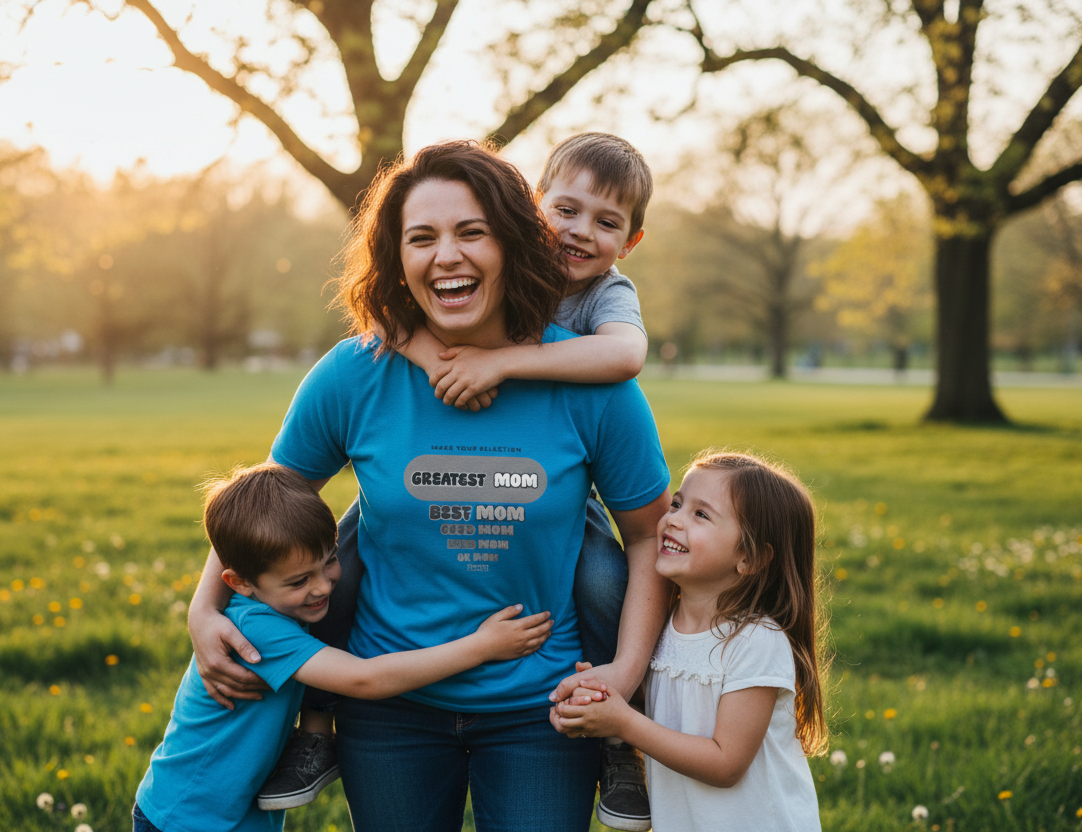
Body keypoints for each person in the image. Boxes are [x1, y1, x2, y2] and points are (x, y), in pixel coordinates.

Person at [187, 140, 672, 832]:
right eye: (422, 238)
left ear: (513, 238)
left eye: (471, 232)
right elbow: (269, 499)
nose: (446, 255)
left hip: (544, 713)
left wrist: (622, 676)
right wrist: (203, 611)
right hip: (388, 714)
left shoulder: (590, 380)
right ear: (401, 258)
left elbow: (650, 532)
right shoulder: (358, 372)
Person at [133, 462, 552, 832]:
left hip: (233, 809)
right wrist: (480, 646)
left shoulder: (282, 608)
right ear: (240, 584)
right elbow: (364, 679)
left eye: (330, 560)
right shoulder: (256, 627)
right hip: (187, 814)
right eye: (299, 581)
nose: (322, 586)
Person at [553, 452, 830, 832]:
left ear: (748, 557)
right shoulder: (662, 629)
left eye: (700, 515)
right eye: (678, 504)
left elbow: (725, 764)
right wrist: (598, 696)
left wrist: (625, 723)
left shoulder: (756, 640)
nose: (672, 520)